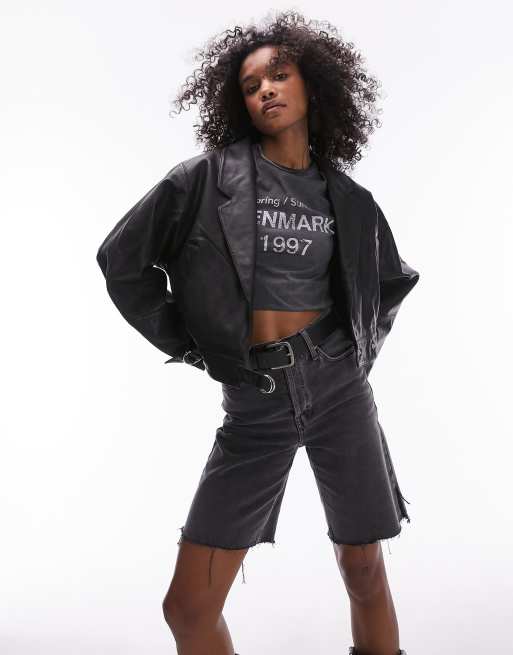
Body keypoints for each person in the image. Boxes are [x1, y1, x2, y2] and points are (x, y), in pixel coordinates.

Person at [96, 10, 419, 655]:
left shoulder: (350, 200)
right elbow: (121, 262)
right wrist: (195, 344)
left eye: (279, 75)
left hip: (340, 392)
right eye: (251, 86)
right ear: (238, 103)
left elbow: (390, 282)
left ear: (312, 86)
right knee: (189, 607)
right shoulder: (202, 180)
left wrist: (355, 355)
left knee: (364, 570)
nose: (266, 90)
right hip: (255, 401)